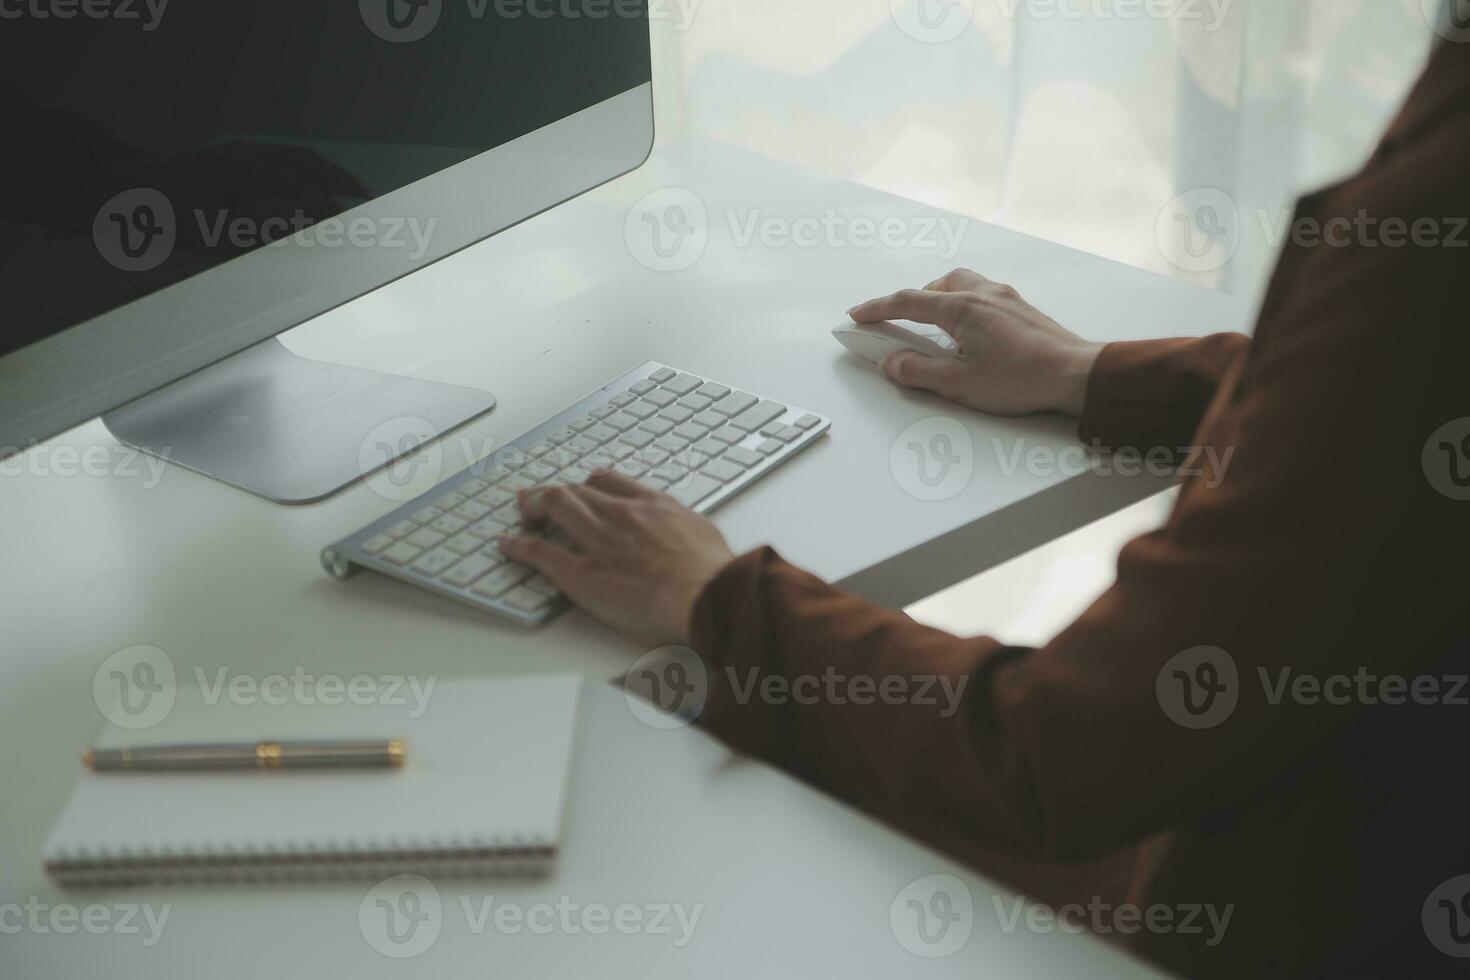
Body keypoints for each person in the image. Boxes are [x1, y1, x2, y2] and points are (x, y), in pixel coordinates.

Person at [500, 40, 1470, 979]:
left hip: (1263, 907)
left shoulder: (1435, 220)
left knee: (653, 836)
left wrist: (716, 595)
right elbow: (1399, 391)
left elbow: (1053, 752)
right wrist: (1098, 376)